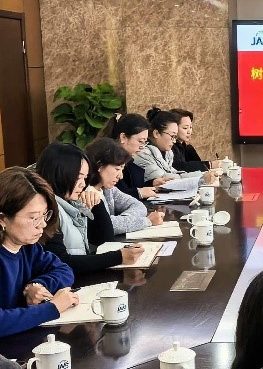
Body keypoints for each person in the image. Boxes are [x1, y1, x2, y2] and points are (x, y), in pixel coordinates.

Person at [0, 167, 79, 339]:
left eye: (44, 215)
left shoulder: (27, 246)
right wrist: (52, 308)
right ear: (2, 219)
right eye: (33, 218)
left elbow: (64, 270)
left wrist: (35, 286)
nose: (42, 224)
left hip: (20, 337)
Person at [36, 141, 144, 275]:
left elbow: (105, 241)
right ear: (59, 174)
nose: (83, 184)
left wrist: (97, 204)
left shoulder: (73, 202)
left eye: (85, 178)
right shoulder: (46, 209)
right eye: (78, 178)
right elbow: (61, 261)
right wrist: (119, 257)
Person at [85, 136, 165, 235]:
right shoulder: (86, 195)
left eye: (122, 169)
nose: (120, 176)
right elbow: (106, 225)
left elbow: (139, 206)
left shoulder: (108, 189)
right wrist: (146, 221)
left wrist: (125, 222)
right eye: (117, 169)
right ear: (100, 165)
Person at [102, 112, 169, 199]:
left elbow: (132, 186)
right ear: (123, 137)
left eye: (145, 142)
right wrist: (139, 193)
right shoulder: (108, 160)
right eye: (140, 141)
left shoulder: (128, 160)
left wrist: (152, 183)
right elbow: (117, 194)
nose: (142, 147)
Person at [134, 107, 195, 183]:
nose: (174, 141)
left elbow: (174, 173)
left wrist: (201, 178)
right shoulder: (143, 153)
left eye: (175, 137)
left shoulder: (167, 153)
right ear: (156, 133)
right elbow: (165, 178)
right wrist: (198, 179)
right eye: (172, 136)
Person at [170, 108, 224, 173]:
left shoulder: (186, 148)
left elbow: (198, 168)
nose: (189, 131)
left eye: (190, 127)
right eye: (185, 128)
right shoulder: (170, 147)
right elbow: (178, 167)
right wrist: (210, 164)